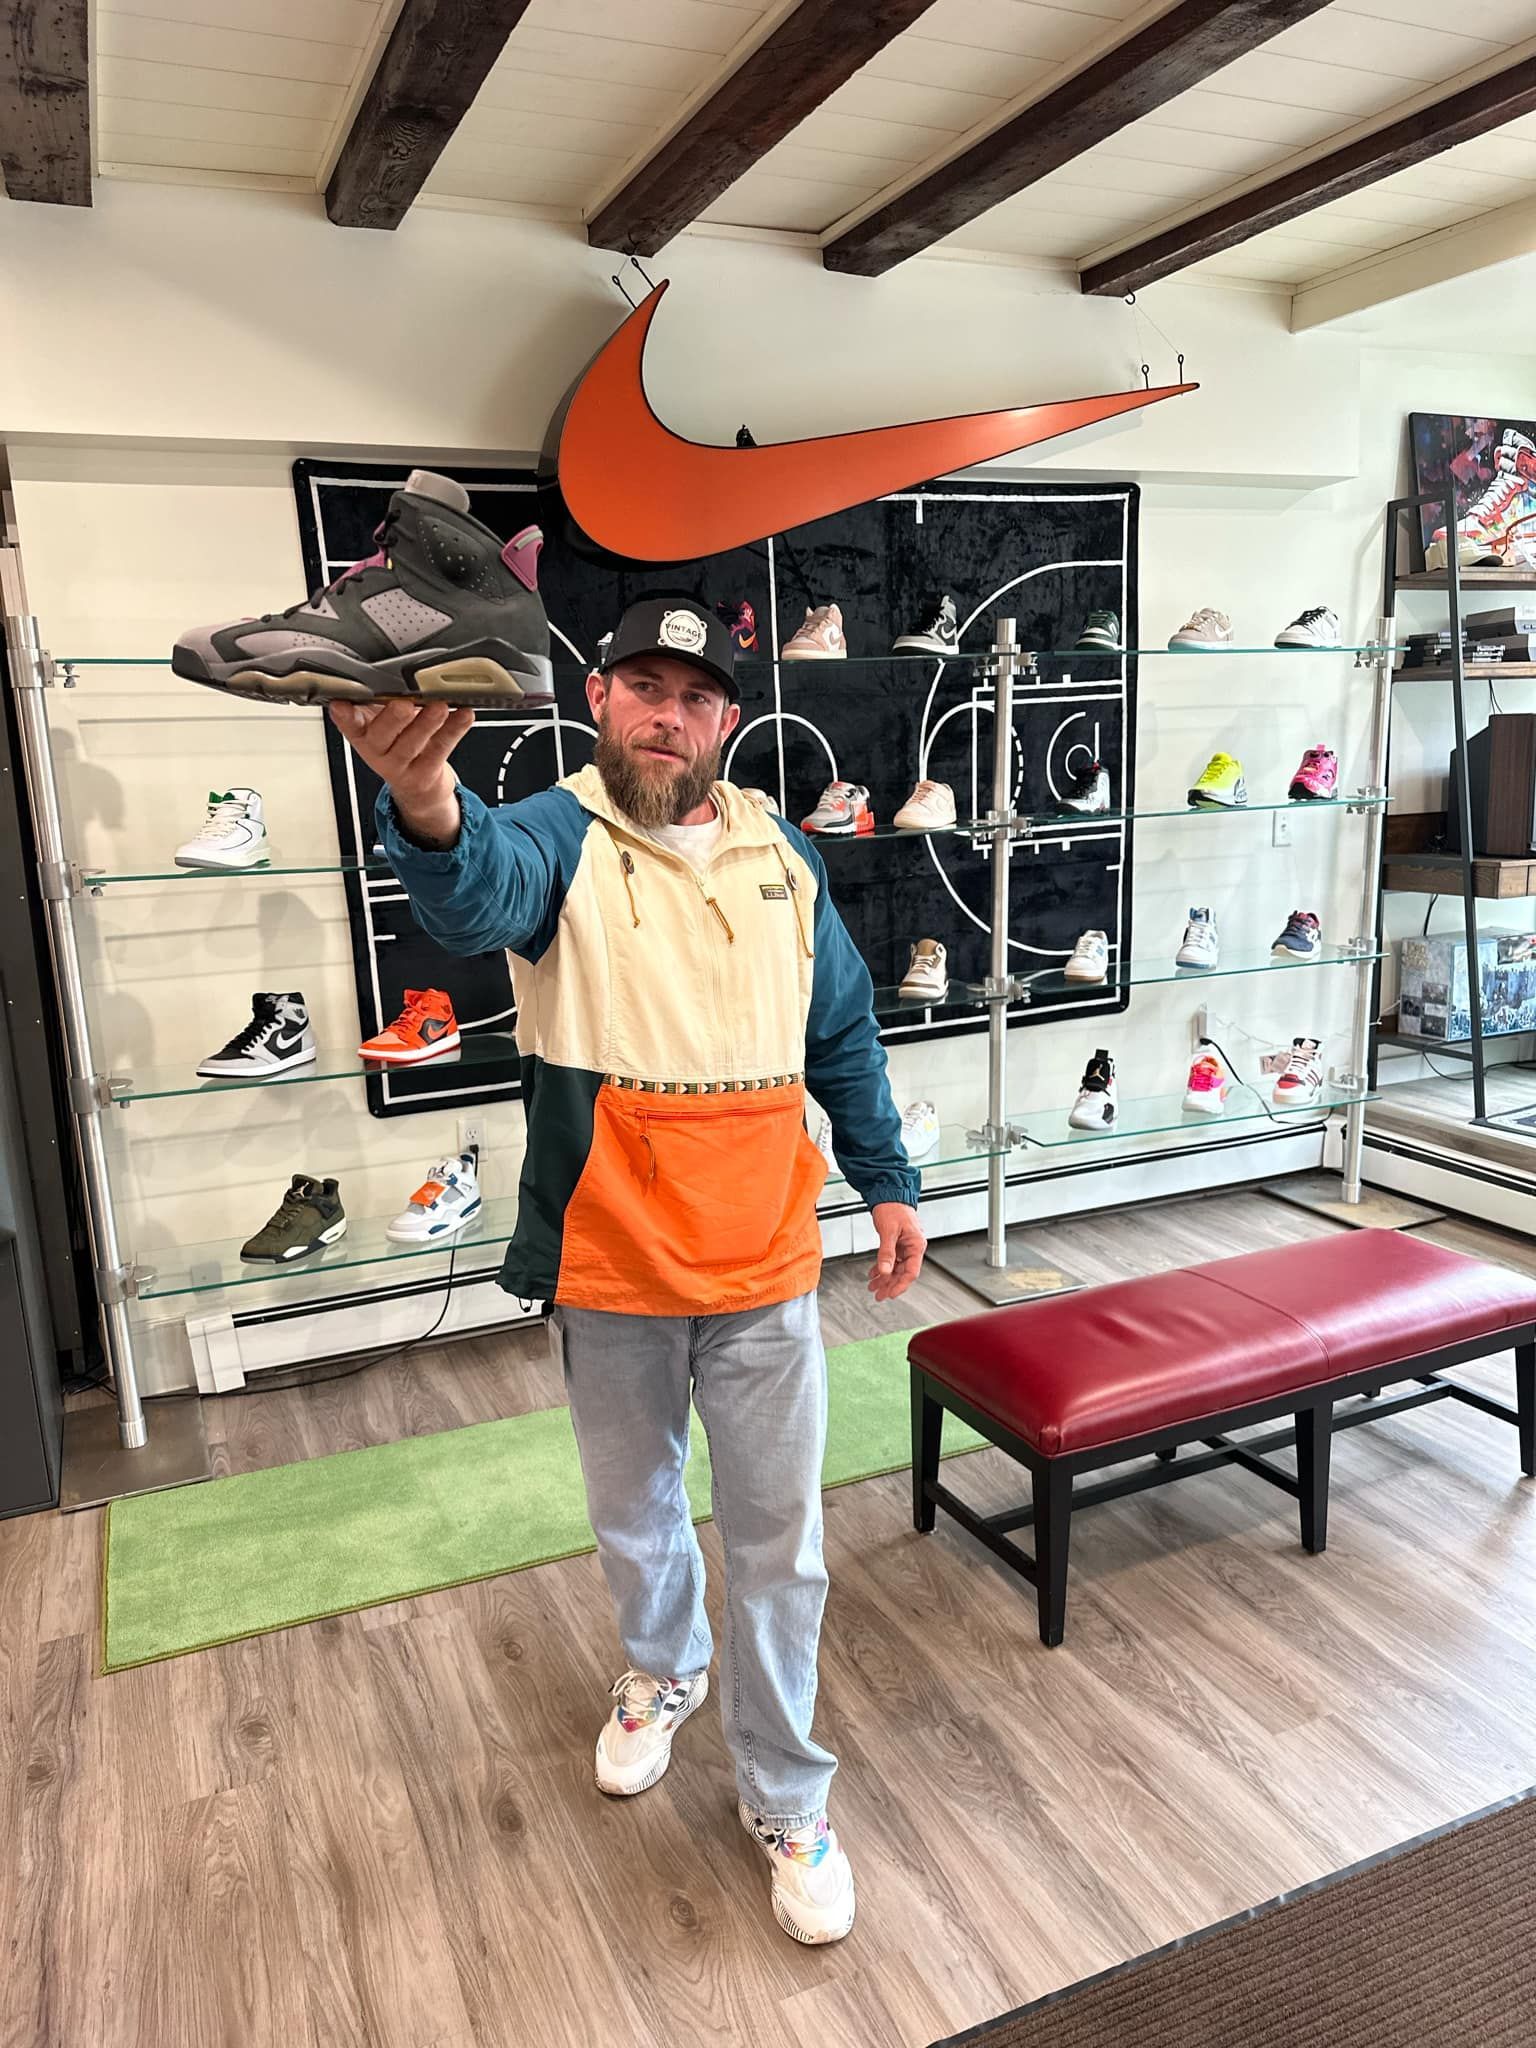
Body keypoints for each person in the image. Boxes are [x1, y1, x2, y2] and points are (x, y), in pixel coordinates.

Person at [329, 593, 925, 1946]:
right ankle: (664, 1669)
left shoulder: (783, 850)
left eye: (695, 695)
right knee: (637, 1512)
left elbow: (841, 1031)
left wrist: (887, 1178)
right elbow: (472, 888)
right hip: (610, 1259)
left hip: (765, 1259)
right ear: (599, 700)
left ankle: (786, 1793)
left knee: (780, 1546)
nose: (668, 714)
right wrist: (423, 799)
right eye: (644, 687)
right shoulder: (556, 834)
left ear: (728, 718)